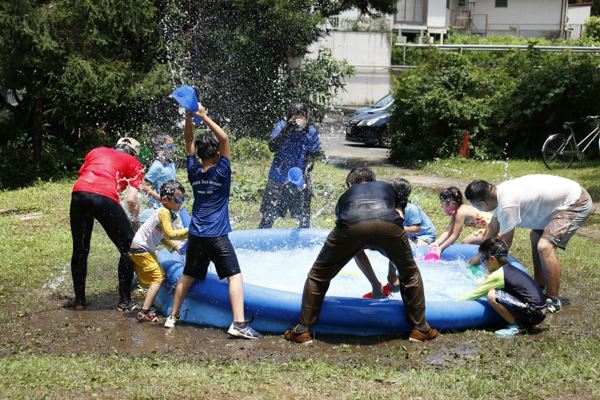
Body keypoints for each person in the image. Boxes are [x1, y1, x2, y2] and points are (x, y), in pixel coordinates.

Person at [284, 167, 438, 344]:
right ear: (373, 181)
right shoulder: (387, 188)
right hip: (389, 225)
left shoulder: (345, 197)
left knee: (318, 275)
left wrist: (374, 283)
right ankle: (420, 329)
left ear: (350, 184)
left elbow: (352, 241)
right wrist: (392, 271)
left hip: (351, 225)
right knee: (410, 273)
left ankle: (302, 331)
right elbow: (398, 218)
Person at [163, 103, 262, 340]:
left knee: (188, 275)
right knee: (234, 276)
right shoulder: (222, 171)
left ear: (199, 154)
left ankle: (172, 317)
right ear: (217, 152)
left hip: (196, 234)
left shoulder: (193, 172)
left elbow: (188, 142)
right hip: (216, 236)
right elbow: (225, 138)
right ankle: (238, 323)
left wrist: (188, 119)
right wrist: (204, 117)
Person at [464, 175, 593, 313]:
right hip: (558, 204)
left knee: (545, 247)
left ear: (483, 203)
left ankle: (553, 299)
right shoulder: (498, 194)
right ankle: (539, 284)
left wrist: (490, 272)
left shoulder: (507, 203)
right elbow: (493, 227)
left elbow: (504, 245)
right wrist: (478, 257)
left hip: (575, 202)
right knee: (535, 237)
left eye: (476, 206)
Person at [69, 137, 144, 311]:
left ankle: (79, 301)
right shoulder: (135, 163)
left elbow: (86, 173)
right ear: (134, 153)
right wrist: (135, 223)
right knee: (129, 249)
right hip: (104, 198)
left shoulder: (96, 151)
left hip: (79, 194)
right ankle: (124, 301)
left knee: (80, 248)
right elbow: (132, 199)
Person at [359, 178, 436, 299]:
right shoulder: (391, 206)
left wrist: (397, 229)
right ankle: (393, 279)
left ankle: (395, 277)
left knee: (411, 247)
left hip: (424, 235)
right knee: (396, 244)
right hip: (408, 234)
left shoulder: (411, 208)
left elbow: (416, 228)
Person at [460, 238, 548, 338]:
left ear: (492, 259)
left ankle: (518, 326)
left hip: (534, 315)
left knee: (492, 295)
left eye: (483, 259)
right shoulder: (508, 269)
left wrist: (458, 302)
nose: (482, 262)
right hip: (540, 310)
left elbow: (473, 294)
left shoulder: (498, 275)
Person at [128, 180, 188, 323]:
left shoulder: (166, 212)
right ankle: (145, 312)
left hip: (142, 249)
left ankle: (146, 306)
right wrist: (190, 232)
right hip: (141, 249)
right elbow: (170, 233)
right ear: (165, 200)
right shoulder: (164, 212)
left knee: (152, 280)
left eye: (183, 198)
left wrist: (176, 247)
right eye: (178, 199)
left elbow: (162, 237)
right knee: (158, 277)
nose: (181, 202)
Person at [259, 103, 320, 229]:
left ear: (307, 117)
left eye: (301, 115)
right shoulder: (281, 126)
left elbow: (311, 156)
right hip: (277, 178)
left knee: (303, 218)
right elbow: (272, 147)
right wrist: (287, 129)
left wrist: (306, 173)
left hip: (299, 179)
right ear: (289, 117)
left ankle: (303, 246)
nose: (298, 119)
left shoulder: (311, 131)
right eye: (295, 116)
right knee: (268, 217)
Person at [429, 186, 493, 256]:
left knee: (466, 242)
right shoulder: (457, 212)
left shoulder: (460, 212)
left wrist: (440, 248)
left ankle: (482, 257)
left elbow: (455, 235)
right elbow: (448, 231)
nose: (442, 207)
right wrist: (437, 243)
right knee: (468, 242)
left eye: (442, 204)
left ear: (452, 204)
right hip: (490, 225)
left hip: (494, 227)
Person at [143, 135, 177, 209]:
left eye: (173, 146)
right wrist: (159, 198)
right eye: (170, 146)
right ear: (160, 149)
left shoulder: (171, 163)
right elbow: (143, 186)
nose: (173, 149)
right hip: (159, 208)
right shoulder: (157, 166)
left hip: (170, 205)